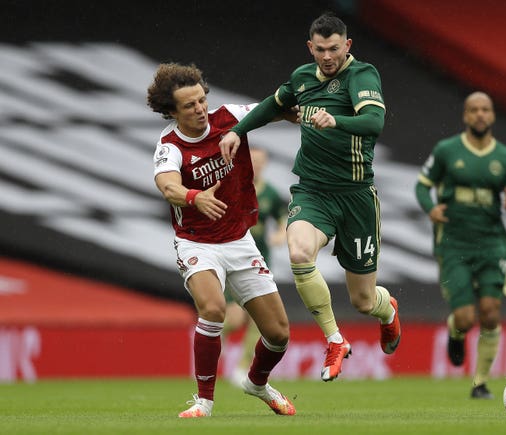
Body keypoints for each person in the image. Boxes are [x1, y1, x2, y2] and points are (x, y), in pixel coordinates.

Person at [219, 12, 401, 382]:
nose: (328, 56)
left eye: (334, 48)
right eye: (320, 50)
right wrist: (238, 131)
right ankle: (335, 340)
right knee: (299, 252)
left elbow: (374, 123)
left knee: (364, 301)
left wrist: (338, 121)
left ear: (347, 46)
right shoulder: (303, 78)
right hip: (313, 191)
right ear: (310, 48)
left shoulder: (362, 75)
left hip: (356, 196)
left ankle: (389, 312)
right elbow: (273, 104)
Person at [147, 62, 296, 417]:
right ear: (172, 111)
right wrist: (195, 197)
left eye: (201, 100)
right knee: (213, 309)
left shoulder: (229, 117)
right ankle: (204, 401)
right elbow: (167, 185)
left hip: (240, 240)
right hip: (196, 241)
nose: (200, 109)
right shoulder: (169, 145)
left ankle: (256, 383)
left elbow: (269, 108)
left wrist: (296, 113)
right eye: (189, 105)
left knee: (278, 334)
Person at [414, 91, 506, 399]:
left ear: (492, 115)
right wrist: (430, 208)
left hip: (492, 244)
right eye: (474, 110)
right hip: (453, 244)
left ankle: (480, 383)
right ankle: (455, 331)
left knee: (490, 312)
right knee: (465, 317)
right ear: (465, 116)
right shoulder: (447, 150)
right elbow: (422, 186)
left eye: (485, 110)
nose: (480, 115)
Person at [224, 147, 288, 387]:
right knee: (233, 318)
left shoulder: (270, 193)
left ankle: (242, 368)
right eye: (253, 160)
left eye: (261, 161)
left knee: (258, 321)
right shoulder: (233, 187)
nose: (257, 165)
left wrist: (282, 234)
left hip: (260, 262)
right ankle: (213, 343)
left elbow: (283, 219)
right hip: (233, 262)